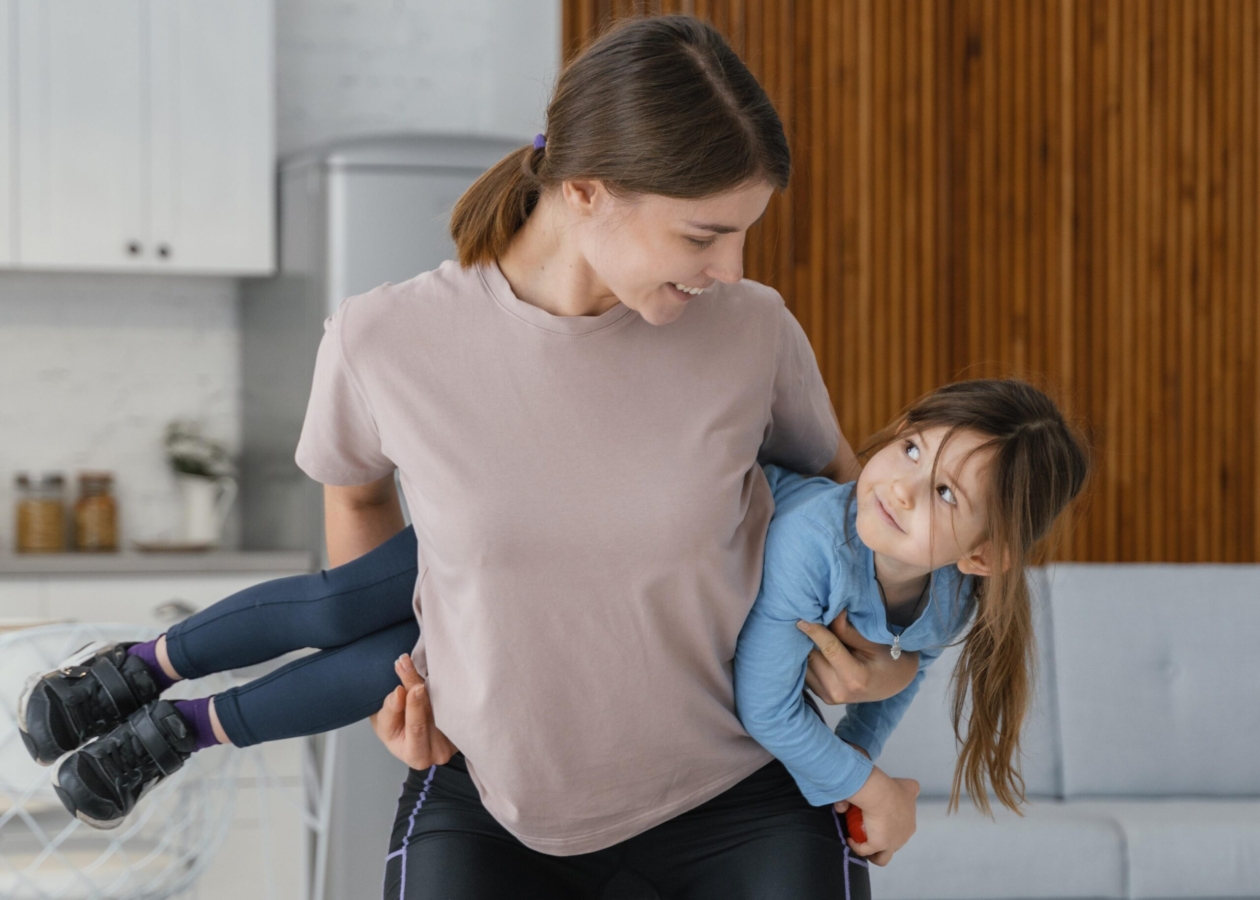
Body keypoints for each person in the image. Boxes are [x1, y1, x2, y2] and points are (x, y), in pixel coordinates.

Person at [19, 14, 921, 898]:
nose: (730, 267)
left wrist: (886, 668)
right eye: (702, 235)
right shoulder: (386, 338)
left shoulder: (752, 330)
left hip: (743, 792)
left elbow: (859, 527)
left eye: (743, 232)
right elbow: (359, 505)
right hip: (497, 803)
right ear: (586, 191)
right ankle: (143, 683)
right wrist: (398, 673)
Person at [734, 379, 1090, 866]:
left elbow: (912, 664)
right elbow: (765, 707)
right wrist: (873, 789)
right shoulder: (811, 545)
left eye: (946, 493)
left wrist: (855, 751)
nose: (901, 488)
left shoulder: (953, 600)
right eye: (911, 449)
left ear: (982, 556)